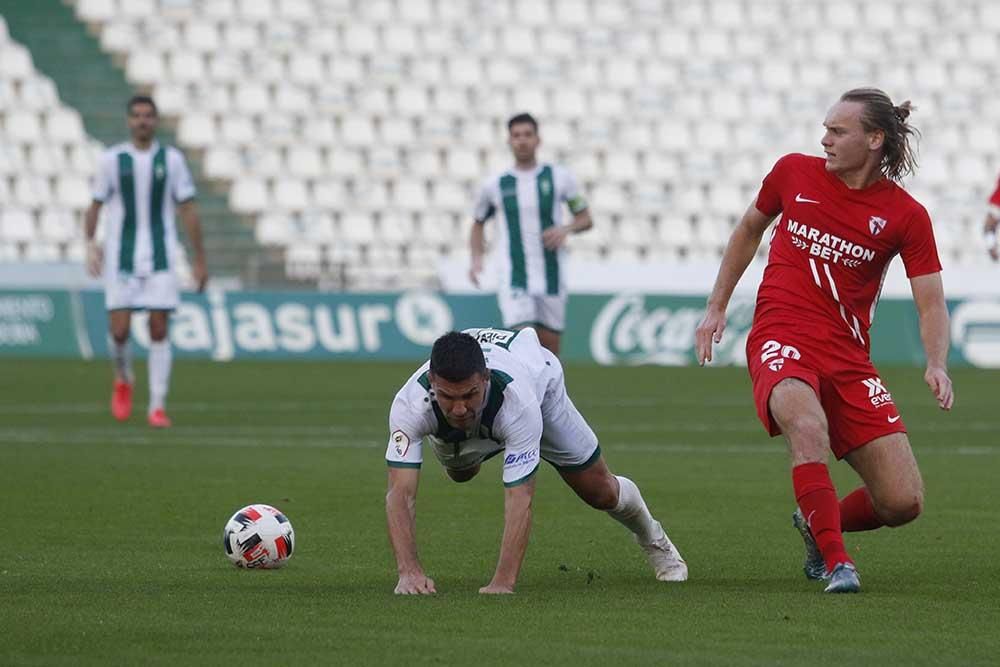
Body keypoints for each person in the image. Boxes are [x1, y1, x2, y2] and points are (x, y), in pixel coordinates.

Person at [694, 88, 954, 594]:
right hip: (780, 333)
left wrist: (937, 362)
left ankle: (816, 519)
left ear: (875, 139)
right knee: (806, 425)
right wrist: (716, 305)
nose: (825, 140)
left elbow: (931, 301)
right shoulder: (793, 171)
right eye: (826, 129)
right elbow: (749, 228)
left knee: (903, 502)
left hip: (849, 358)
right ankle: (838, 564)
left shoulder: (906, 216)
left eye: (838, 131)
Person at [384, 327, 687, 594]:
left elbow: (520, 498)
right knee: (461, 474)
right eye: (448, 397)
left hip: (541, 389)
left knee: (600, 491)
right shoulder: (409, 405)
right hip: (476, 417)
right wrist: (409, 573)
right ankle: (464, 445)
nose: (460, 408)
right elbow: (400, 494)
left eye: (470, 395)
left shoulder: (519, 403)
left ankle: (654, 539)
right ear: (432, 381)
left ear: (485, 379)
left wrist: (503, 582)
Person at [83, 95, 207, 428]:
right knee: (120, 331)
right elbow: (95, 205)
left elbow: (189, 209)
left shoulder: (172, 159)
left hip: (161, 257)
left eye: (148, 116)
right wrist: (90, 245)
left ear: (156, 121)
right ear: (128, 120)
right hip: (121, 257)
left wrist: (199, 259)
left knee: (158, 328)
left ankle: (157, 405)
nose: (142, 121)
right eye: (137, 115)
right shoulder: (112, 159)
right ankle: (123, 377)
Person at [469, 113, 593, 356]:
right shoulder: (495, 184)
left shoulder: (560, 178)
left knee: (549, 351)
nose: (522, 141)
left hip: (551, 274)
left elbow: (586, 218)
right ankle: (524, 394)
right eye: (516, 136)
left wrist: (565, 229)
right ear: (509, 140)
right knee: (522, 343)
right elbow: (478, 222)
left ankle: (550, 395)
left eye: (527, 135)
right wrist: (476, 259)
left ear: (538, 139)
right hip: (514, 276)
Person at [982, 177, 999, 261]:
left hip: (997, 202)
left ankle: (993, 250)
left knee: (989, 228)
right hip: (996, 202)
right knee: (989, 228)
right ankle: (993, 250)